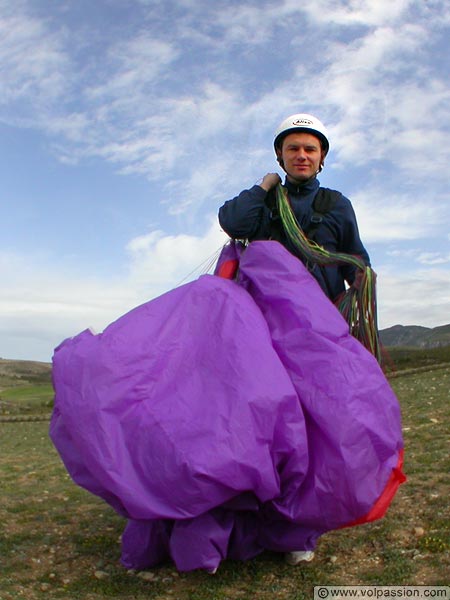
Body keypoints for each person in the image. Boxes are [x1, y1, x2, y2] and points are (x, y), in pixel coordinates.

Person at [218, 113, 370, 302]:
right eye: (293, 149)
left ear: (321, 155)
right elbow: (234, 224)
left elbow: (355, 260)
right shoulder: (264, 202)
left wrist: (362, 281)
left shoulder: (336, 204)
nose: (301, 156)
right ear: (280, 154)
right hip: (267, 318)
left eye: (310, 149)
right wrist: (263, 186)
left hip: (323, 320)